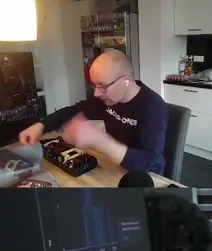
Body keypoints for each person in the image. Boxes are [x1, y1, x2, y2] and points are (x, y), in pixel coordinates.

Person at [17, 49, 168, 174]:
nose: (96, 93)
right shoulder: (106, 99)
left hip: (147, 176)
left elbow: (148, 162)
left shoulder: (153, 107)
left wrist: (100, 141)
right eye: (94, 86)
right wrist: (41, 126)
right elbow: (73, 110)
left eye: (102, 86)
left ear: (126, 81)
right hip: (114, 165)